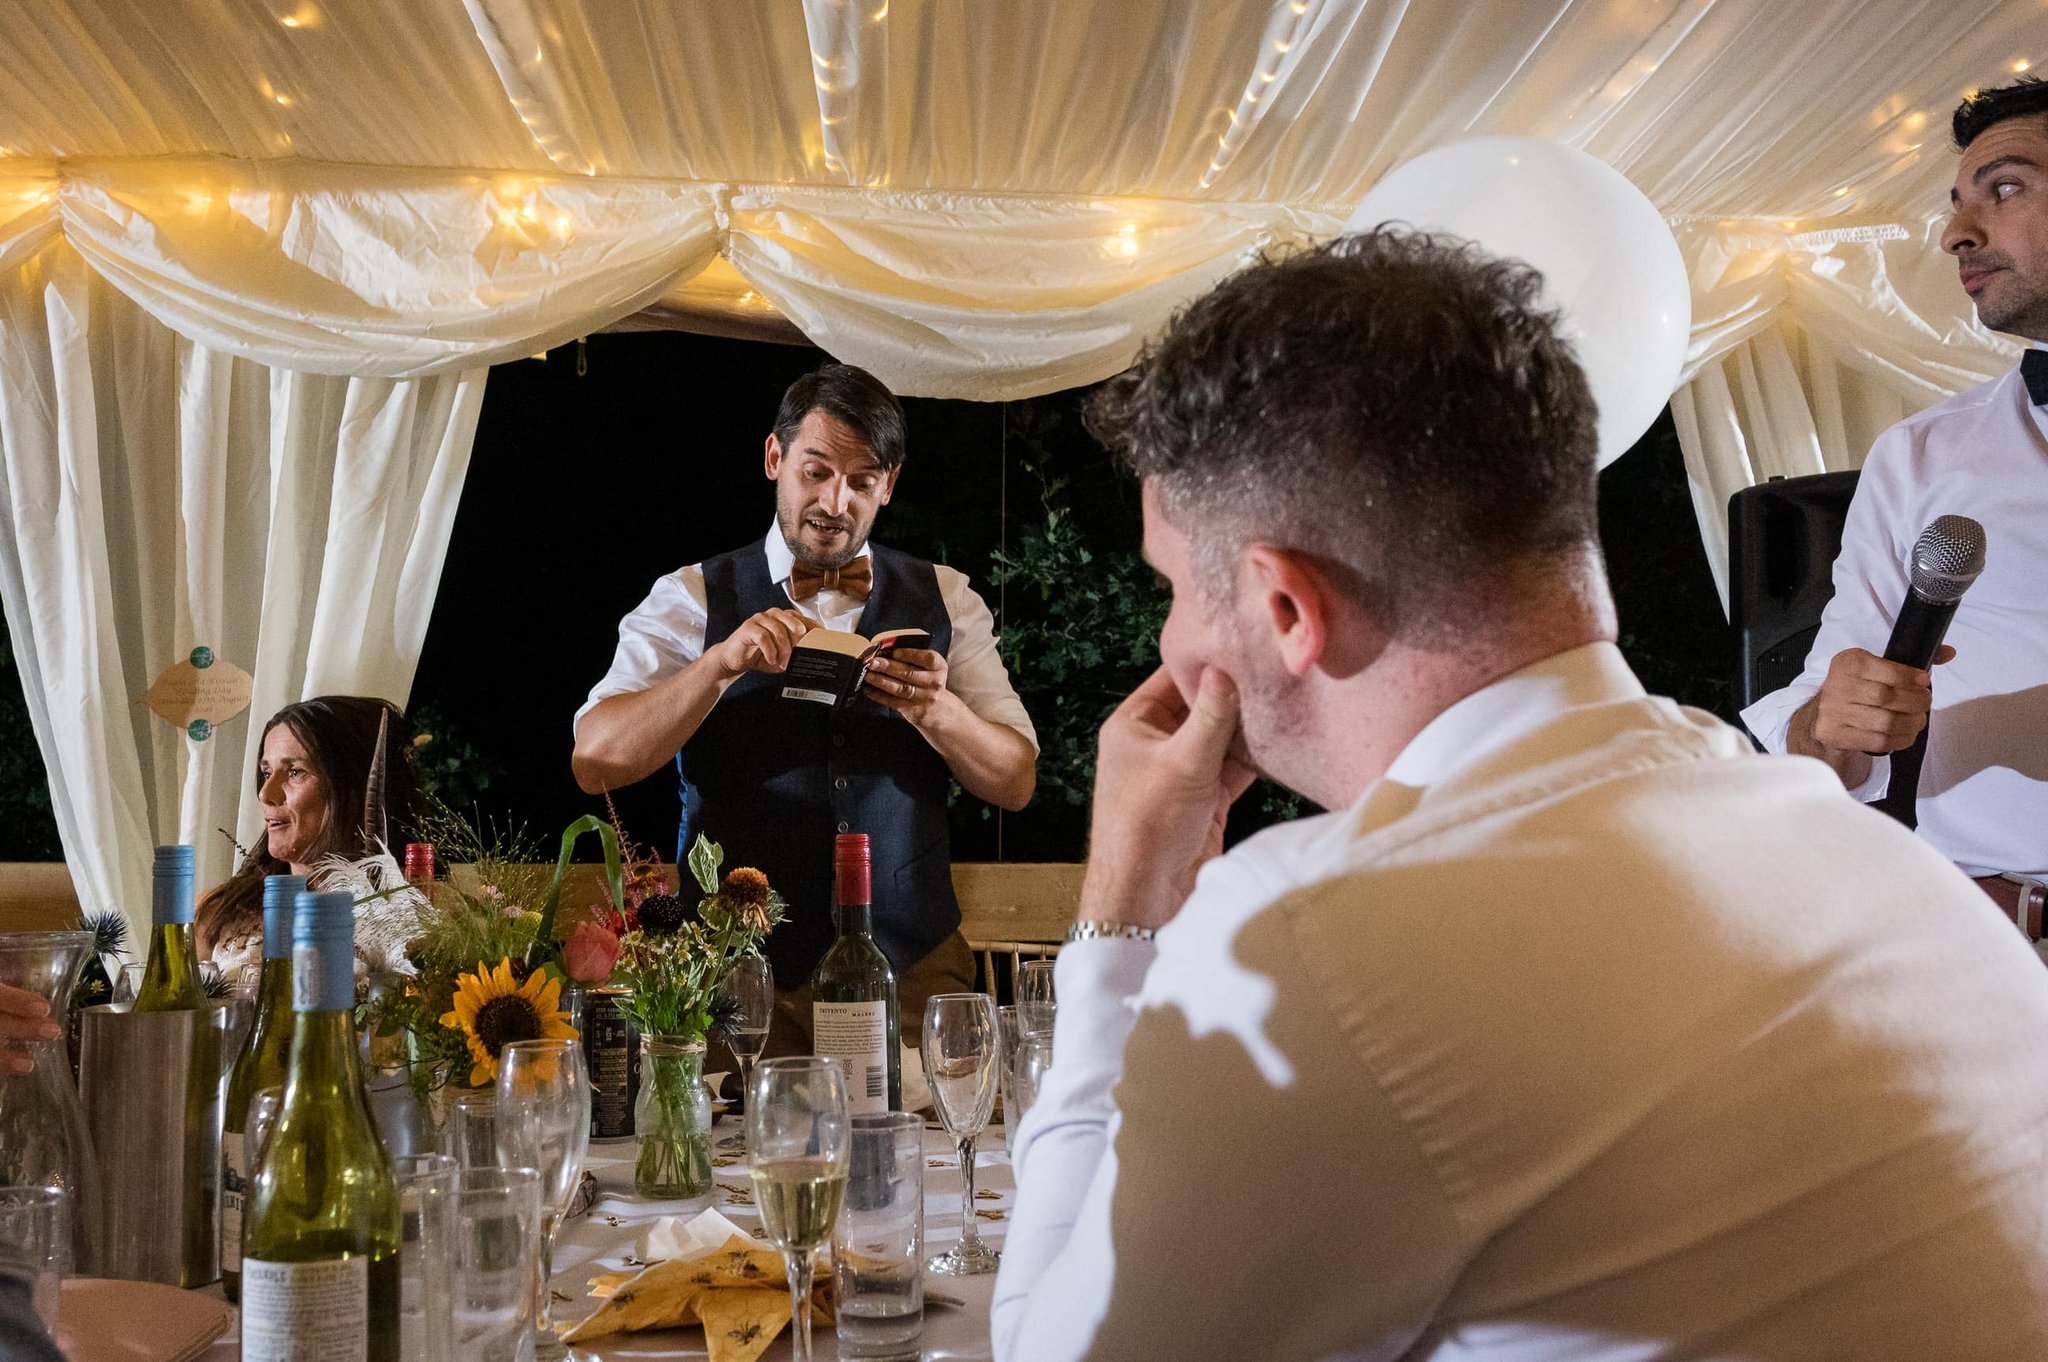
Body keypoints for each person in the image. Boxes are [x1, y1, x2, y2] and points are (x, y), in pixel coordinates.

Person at [991, 230, 2048, 1361]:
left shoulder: (1322, 935)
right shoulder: (1851, 850)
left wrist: (1122, 909)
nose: (1168, 639)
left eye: (1170, 587)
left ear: (1286, 609)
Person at [572, 364, 1036, 1050]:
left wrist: (940, 712)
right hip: (735, 982)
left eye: (862, 482)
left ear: (889, 485)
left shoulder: (948, 598)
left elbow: (1016, 780)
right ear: (774, 458)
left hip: (909, 971)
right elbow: (595, 761)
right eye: (815, 472)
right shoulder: (691, 597)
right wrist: (718, 665)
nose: (835, 501)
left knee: (933, 1154)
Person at [1742, 76, 2048, 933]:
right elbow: (1823, 745)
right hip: (1994, 953)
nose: (1957, 233)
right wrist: (1829, 724)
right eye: (1957, 204)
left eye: (2006, 188)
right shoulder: (1921, 456)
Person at [198, 695, 418, 988]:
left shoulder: (415, 916)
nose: (266, 793)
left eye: (294, 772)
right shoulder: (215, 914)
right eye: (266, 772)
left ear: (355, 790)